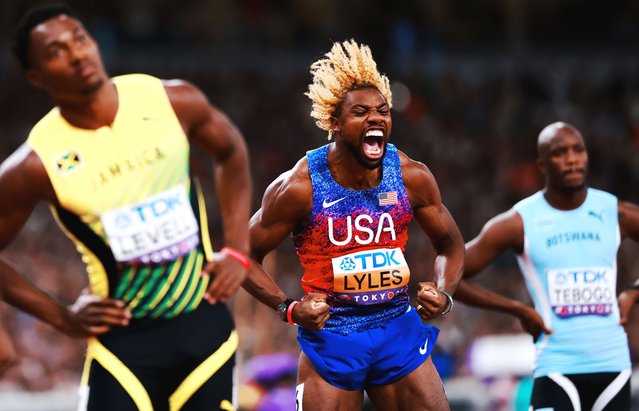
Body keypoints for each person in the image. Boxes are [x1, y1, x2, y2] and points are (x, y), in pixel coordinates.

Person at [1, 4, 252, 410]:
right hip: (123, 345)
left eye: (80, 39)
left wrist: (237, 249)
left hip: (204, 326)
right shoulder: (36, 163)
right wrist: (62, 317)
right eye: (56, 51)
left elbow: (231, 150)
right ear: (36, 76)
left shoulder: (171, 100)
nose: (77, 53)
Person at [243, 39, 465, 410]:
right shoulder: (300, 187)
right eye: (360, 112)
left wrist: (445, 293)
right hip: (333, 338)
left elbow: (451, 246)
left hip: (396, 327)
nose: (376, 119)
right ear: (334, 122)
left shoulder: (410, 176)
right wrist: (289, 309)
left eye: (383, 111)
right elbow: (242, 255)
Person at [454, 121, 639, 410]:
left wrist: (633, 292)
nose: (572, 159)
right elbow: (452, 274)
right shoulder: (519, 221)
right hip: (556, 367)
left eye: (578, 150)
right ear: (542, 164)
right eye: (559, 152)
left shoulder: (613, 211)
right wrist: (517, 309)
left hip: (612, 365)